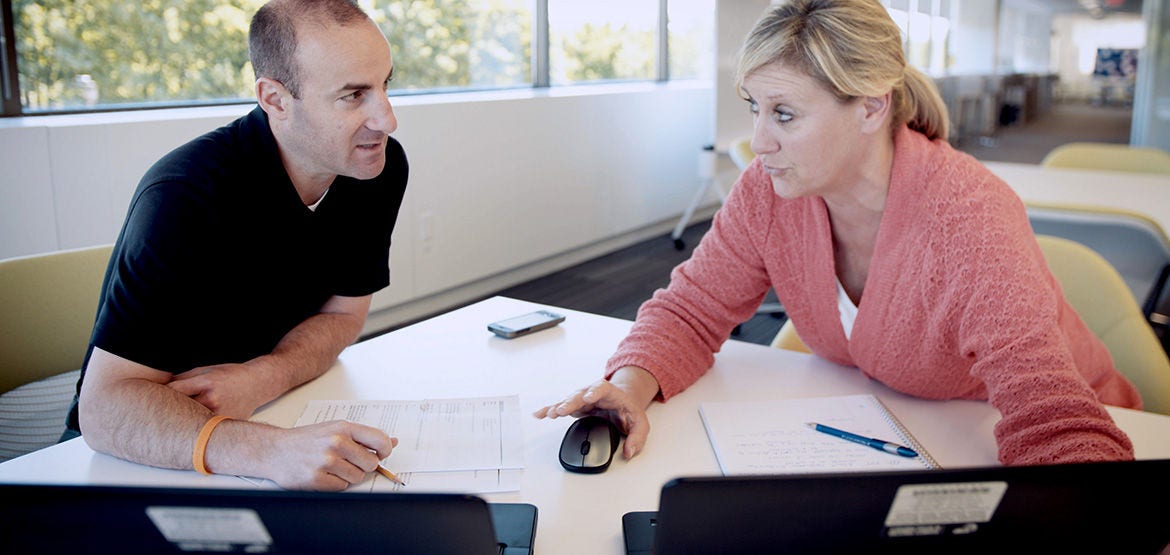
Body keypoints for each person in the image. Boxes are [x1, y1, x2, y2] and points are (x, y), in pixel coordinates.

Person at [536, 0, 1140, 466]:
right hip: (901, 424)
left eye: (786, 114)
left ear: (871, 108)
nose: (760, 141)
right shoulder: (769, 190)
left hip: (1032, 429)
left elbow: (1052, 420)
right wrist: (628, 387)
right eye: (754, 106)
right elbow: (694, 308)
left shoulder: (966, 218)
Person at [62, 0, 408, 491]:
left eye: (385, 84)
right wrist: (269, 449)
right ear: (275, 98)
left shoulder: (375, 167)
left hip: (274, 410)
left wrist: (264, 377)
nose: (386, 120)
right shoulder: (185, 195)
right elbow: (103, 412)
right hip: (141, 453)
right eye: (354, 95)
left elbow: (343, 316)